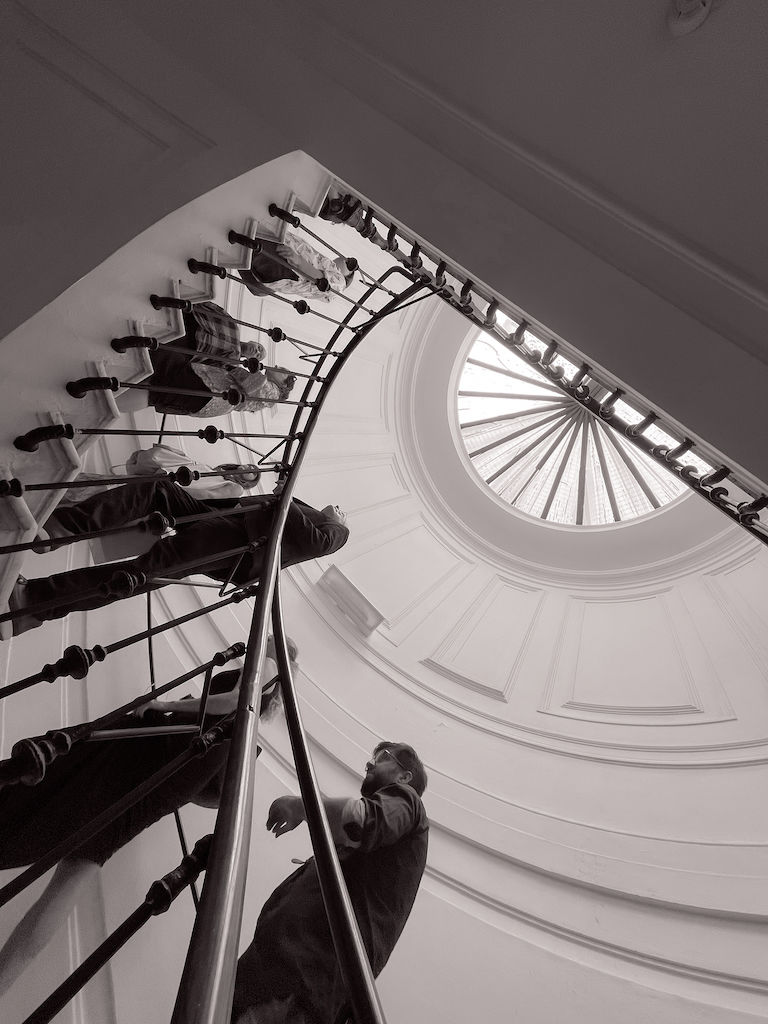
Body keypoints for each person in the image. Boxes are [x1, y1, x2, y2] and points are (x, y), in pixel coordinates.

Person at [0, 636, 297, 997]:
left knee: (69, 776)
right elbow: (214, 795)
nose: (258, 639)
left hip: (153, 751)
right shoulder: (248, 736)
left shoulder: (266, 666)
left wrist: (164, 702)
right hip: (167, 780)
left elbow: (234, 701)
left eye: (265, 637)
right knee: (84, 860)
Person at [231, 741, 429, 1024]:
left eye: (383, 758)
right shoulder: (369, 851)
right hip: (276, 973)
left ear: (405, 776)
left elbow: (359, 821)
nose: (369, 764)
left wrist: (302, 806)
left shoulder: (408, 801)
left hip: (299, 984)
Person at [5, 482, 348, 636]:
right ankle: (62, 529)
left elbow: (318, 542)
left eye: (341, 512)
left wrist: (283, 498)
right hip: (226, 522)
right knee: (160, 491)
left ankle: (37, 602)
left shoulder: (337, 531)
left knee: (141, 573)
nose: (337, 507)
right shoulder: (314, 514)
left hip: (237, 543)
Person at [141, 301, 297, 418]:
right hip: (209, 389)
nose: (277, 366)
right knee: (160, 385)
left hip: (211, 393)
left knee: (161, 384)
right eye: (258, 348)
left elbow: (251, 384)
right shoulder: (232, 333)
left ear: (284, 385)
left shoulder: (271, 393)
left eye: (283, 372)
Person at [239, 233, 356, 304]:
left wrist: (298, 261)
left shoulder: (340, 284)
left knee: (250, 240)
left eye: (349, 265)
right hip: (285, 263)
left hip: (286, 264)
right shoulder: (330, 269)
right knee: (245, 245)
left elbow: (319, 279)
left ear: (347, 275)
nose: (347, 259)